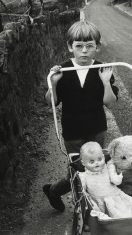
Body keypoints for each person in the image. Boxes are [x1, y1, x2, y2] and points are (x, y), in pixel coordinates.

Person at [43, 20, 119, 212]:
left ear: (97, 47)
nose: (84, 51)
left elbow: (110, 102)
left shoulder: (102, 69)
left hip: (97, 128)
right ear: (70, 47)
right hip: (73, 130)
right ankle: (55, 191)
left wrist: (106, 82)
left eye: (89, 46)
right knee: (78, 172)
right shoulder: (63, 70)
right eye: (79, 46)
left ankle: (96, 207)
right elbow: (51, 102)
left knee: (98, 168)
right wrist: (53, 84)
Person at [78, 142, 132, 218]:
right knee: (100, 216)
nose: (97, 163)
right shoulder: (84, 176)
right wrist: (89, 200)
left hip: (113, 197)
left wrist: (117, 178)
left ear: (103, 157)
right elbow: (83, 192)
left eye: (99, 159)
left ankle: (131, 218)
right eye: (91, 162)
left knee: (123, 213)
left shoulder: (108, 168)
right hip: (99, 202)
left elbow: (115, 180)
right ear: (83, 163)